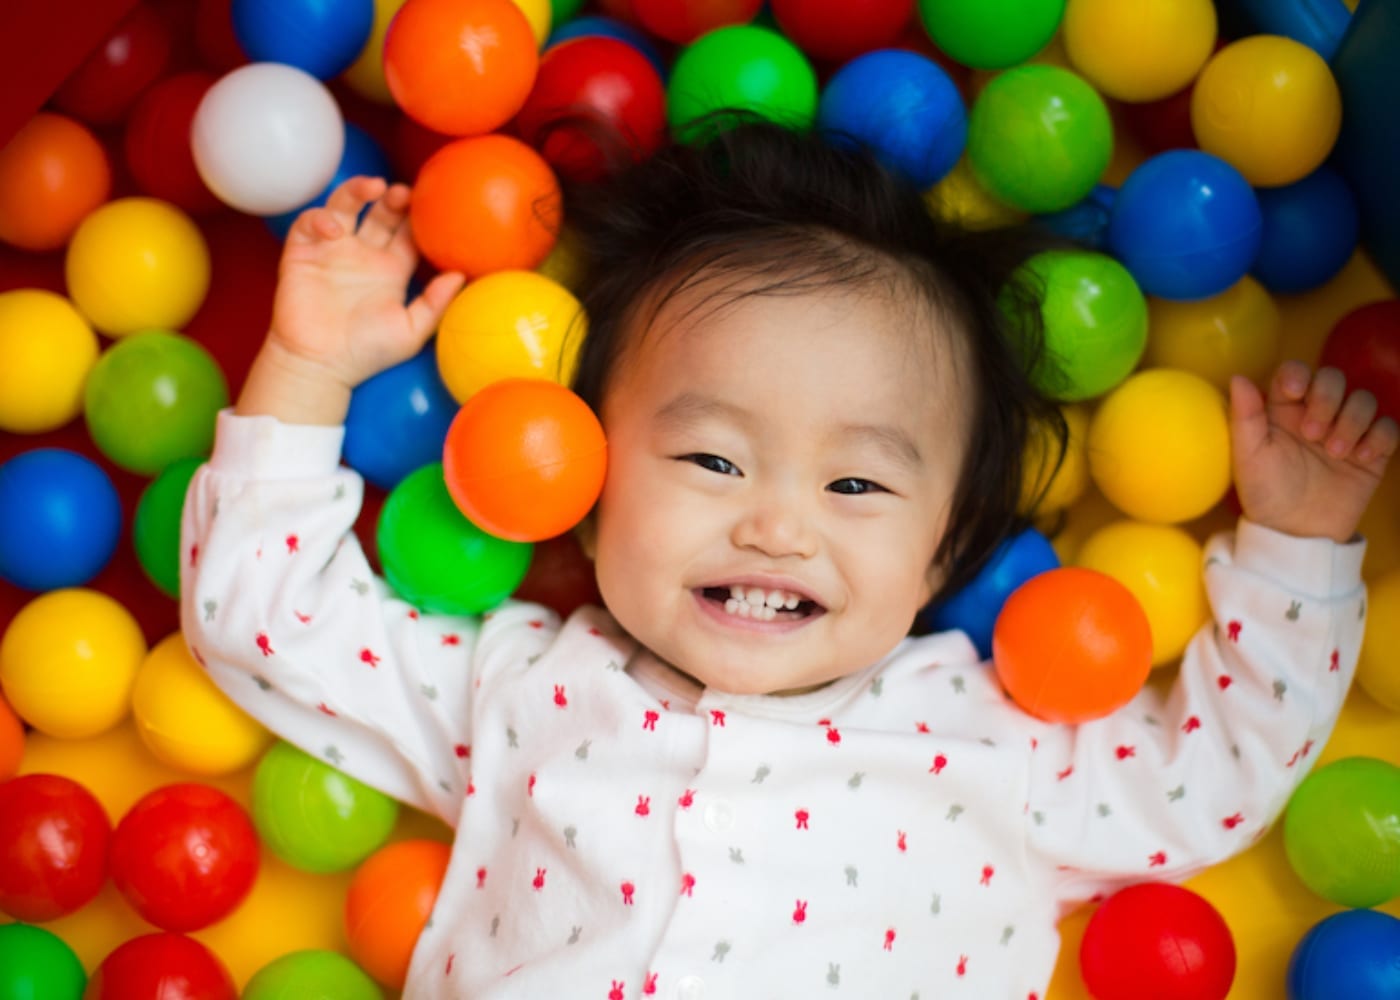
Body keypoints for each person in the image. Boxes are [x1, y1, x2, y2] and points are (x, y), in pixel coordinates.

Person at [181, 123, 1396, 999]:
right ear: (592, 499)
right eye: (711, 460)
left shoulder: (994, 748)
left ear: (939, 556)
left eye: (856, 484)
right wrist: (308, 365)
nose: (775, 523)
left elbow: (1206, 778)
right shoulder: (522, 691)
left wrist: (1296, 546)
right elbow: (269, 614)